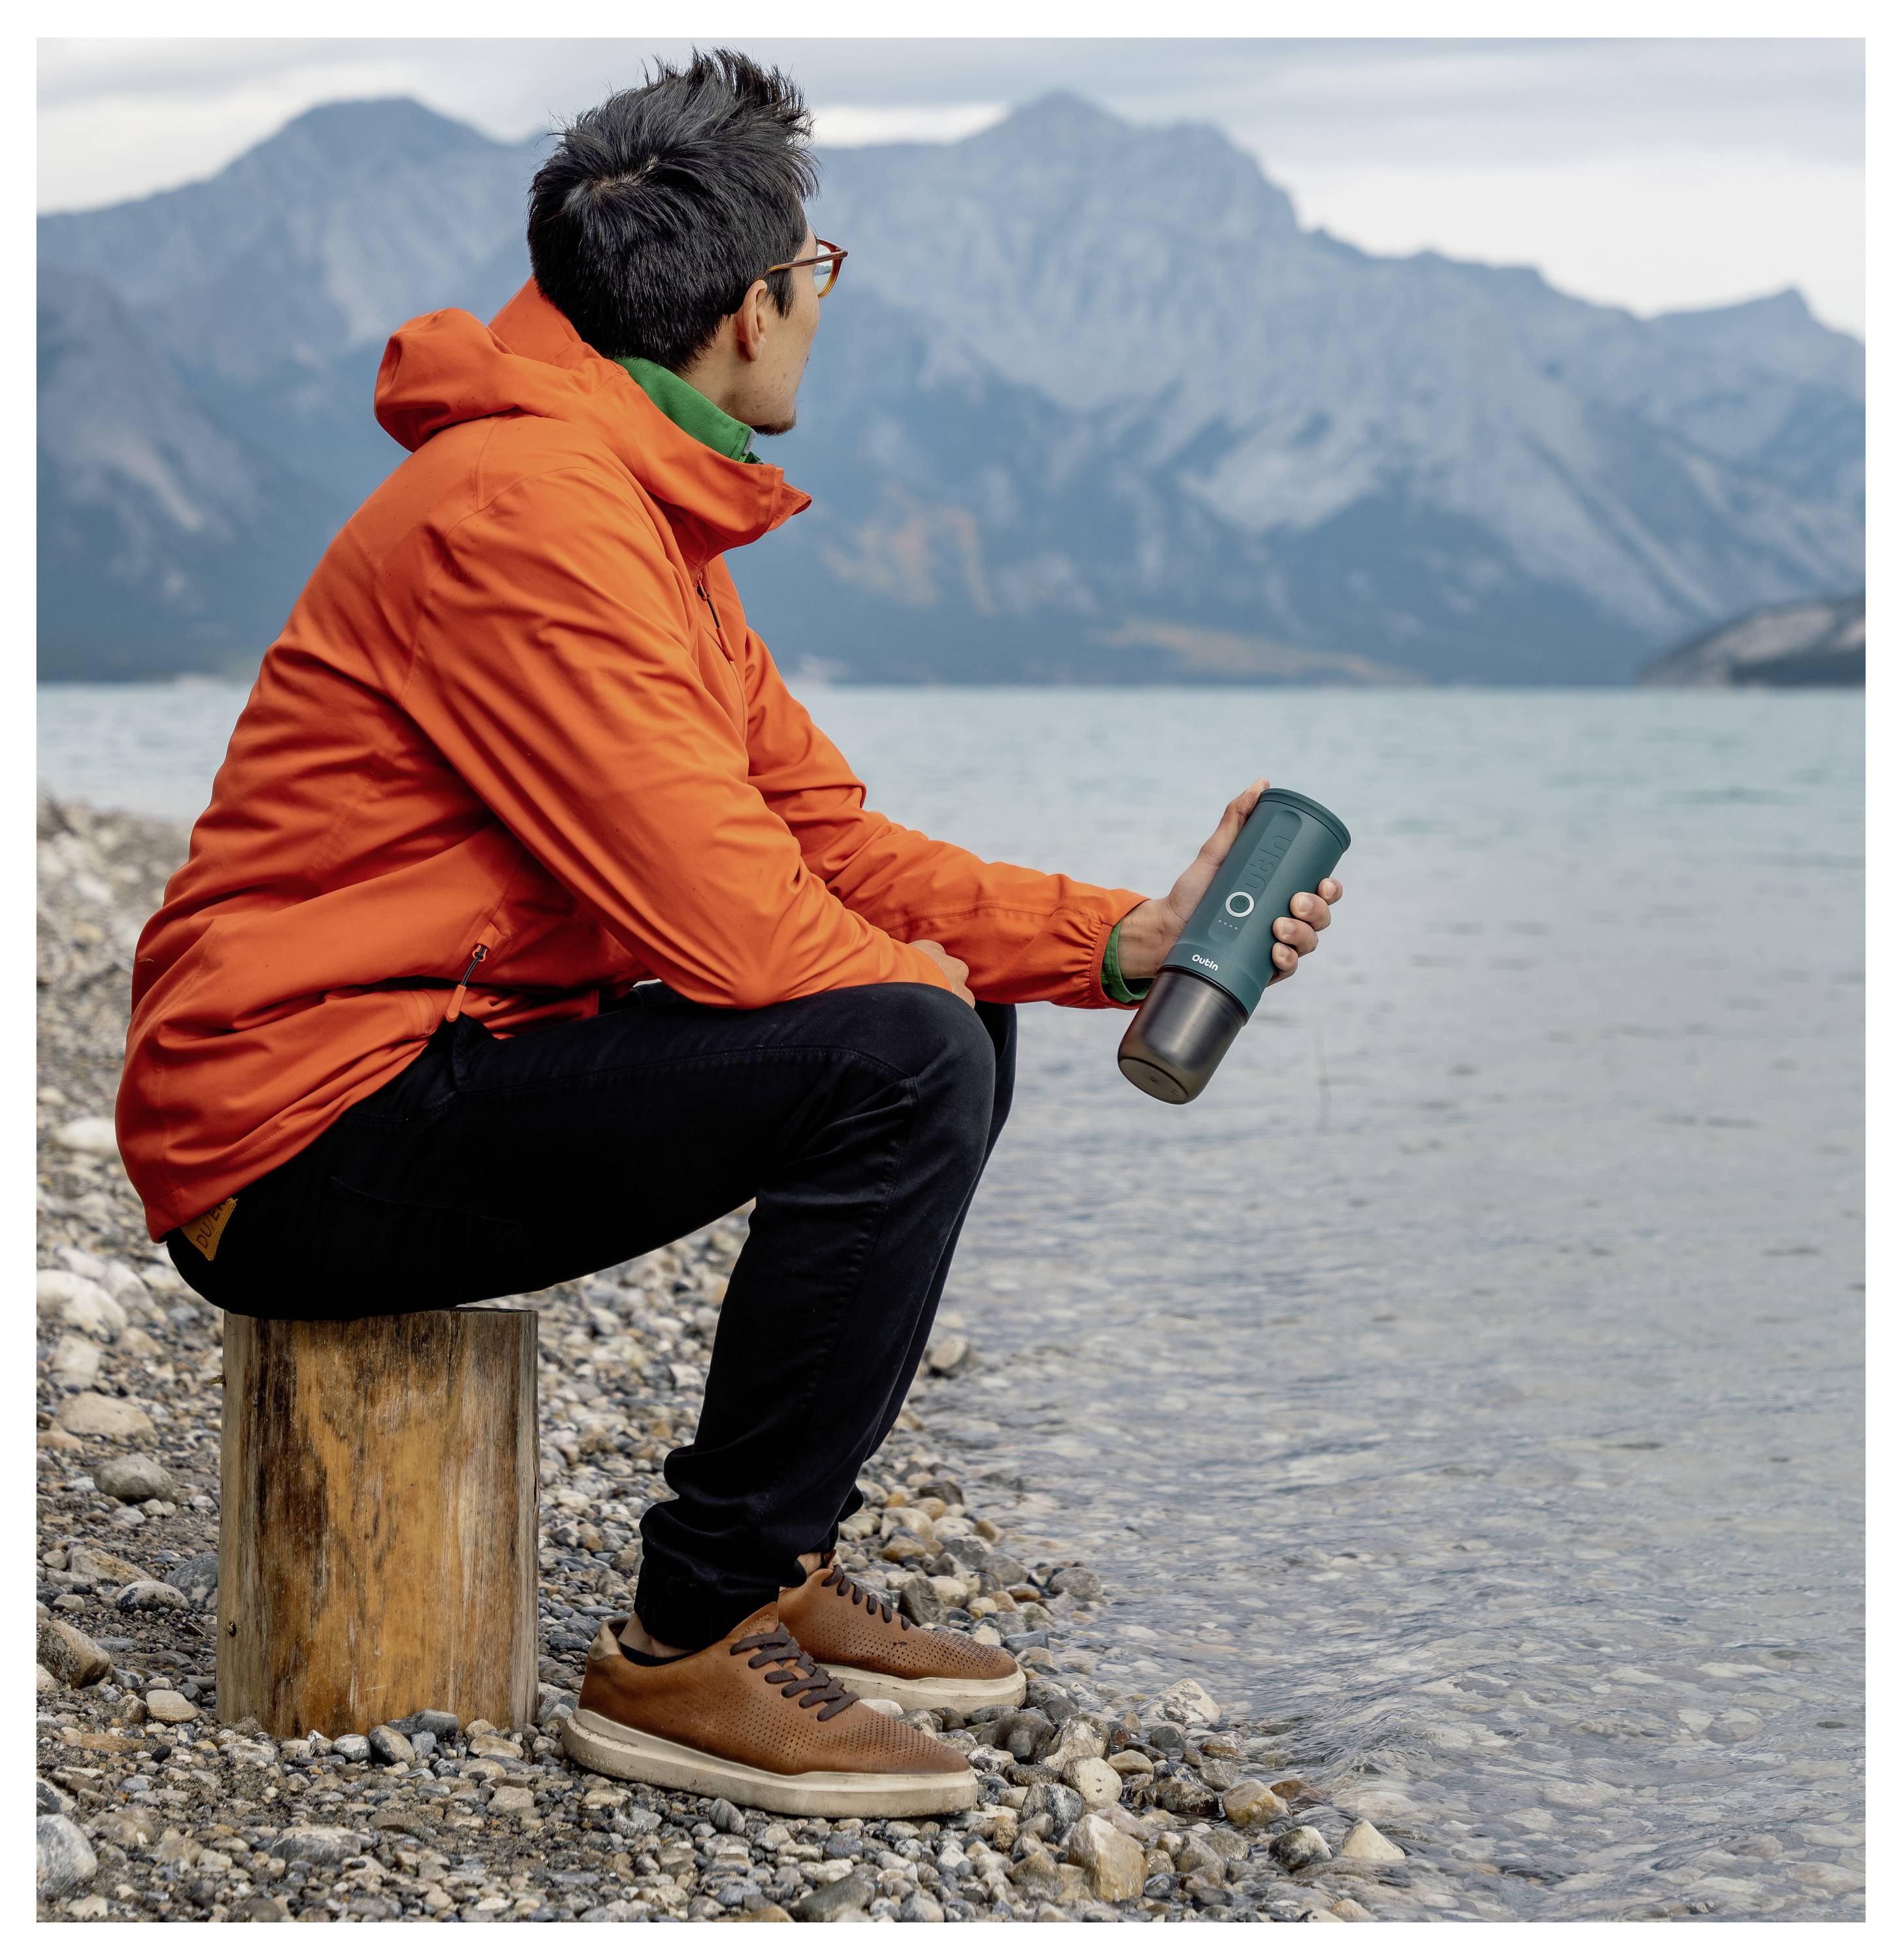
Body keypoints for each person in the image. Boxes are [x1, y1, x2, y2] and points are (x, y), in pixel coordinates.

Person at [115, 48, 1342, 1820]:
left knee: (943, 1018)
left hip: (429, 1058)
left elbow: (828, 846)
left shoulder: (632, 513)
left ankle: (765, 1575)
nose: (822, 311)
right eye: (821, 277)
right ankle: (687, 1647)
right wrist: (935, 994)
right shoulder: (529, 513)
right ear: (754, 310)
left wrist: (1122, 942)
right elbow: (750, 942)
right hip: (296, 1133)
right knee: (907, 1044)